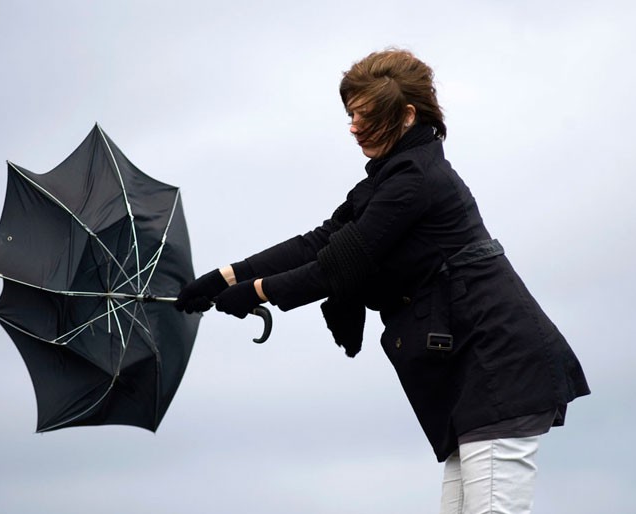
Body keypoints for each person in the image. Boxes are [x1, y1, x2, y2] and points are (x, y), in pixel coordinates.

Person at [174, 48, 590, 513]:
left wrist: (254, 293)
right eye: (350, 114)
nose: (353, 127)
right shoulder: (390, 178)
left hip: (500, 370)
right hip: (472, 379)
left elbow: (338, 267)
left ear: (407, 115)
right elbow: (320, 242)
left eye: (366, 115)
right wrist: (222, 277)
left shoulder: (416, 180)